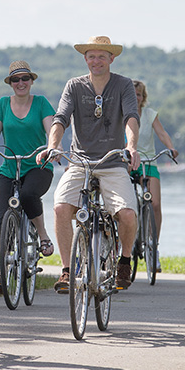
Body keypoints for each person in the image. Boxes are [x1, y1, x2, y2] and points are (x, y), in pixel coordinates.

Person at [37, 36, 141, 293]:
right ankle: (67, 271)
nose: (96, 61)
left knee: (127, 214)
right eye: (92, 56)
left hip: (112, 161)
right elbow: (60, 118)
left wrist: (131, 146)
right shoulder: (74, 86)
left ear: (111, 59)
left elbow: (130, 116)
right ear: (85, 59)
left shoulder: (123, 85)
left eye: (102, 57)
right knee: (61, 208)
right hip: (80, 162)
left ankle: (124, 261)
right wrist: (53, 145)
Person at [0, 60, 56, 291]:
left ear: (31, 81)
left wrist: (52, 148)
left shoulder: (41, 103)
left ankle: (42, 235)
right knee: (3, 218)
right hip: (10, 167)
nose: (20, 83)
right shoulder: (3, 104)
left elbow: (52, 129)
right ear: (10, 83)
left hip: (38, 165)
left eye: (25, 78)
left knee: (29, 194)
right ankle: (3, 271)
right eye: (16, 79)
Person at [131, 79, 178, 273]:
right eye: (132, 94)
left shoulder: (150, 115)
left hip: (148, 162)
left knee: (155, 204)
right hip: (128, 162)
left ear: (143, 98)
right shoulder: (121, 114)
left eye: (139, 94)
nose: (136, 97)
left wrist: (170, 147)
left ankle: (153, 245)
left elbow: (162, 133)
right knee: (126, 204)